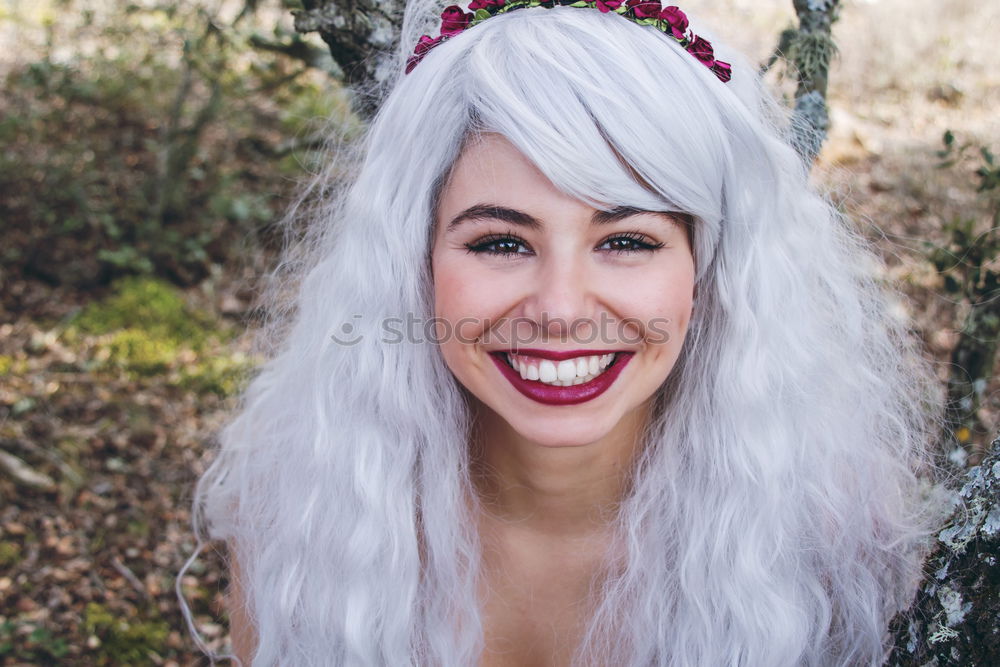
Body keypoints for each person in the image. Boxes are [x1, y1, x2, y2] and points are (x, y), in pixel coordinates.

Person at [187, 1, 940, 664]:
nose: (560, 308)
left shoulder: (837, 544)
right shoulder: (304, 526)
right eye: (500, 243)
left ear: (707, 274)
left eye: (628, 241)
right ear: (412, 265)